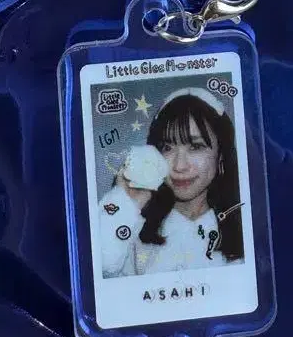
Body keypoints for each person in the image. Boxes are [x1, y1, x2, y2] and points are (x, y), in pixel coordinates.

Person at [98, 87, 244, 277]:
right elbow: (100, 267)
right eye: (167, 148)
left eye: (196, 147)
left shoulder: (246, 234)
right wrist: (125, 201)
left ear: (221, 155)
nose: (179, 166)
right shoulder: (133, 232)